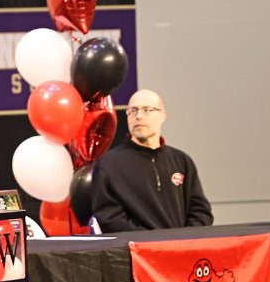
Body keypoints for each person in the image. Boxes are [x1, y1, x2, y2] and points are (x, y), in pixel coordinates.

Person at [90, 88, 213, 232]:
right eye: (133, 111)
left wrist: (184, 240)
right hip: (137, 251)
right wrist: (149, 243)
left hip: (182, 249)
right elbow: (109, 218)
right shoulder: (108, 165)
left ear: (163, 115)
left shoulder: (182, 161)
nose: (139, 116)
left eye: (147, 110)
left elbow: (200, 211)